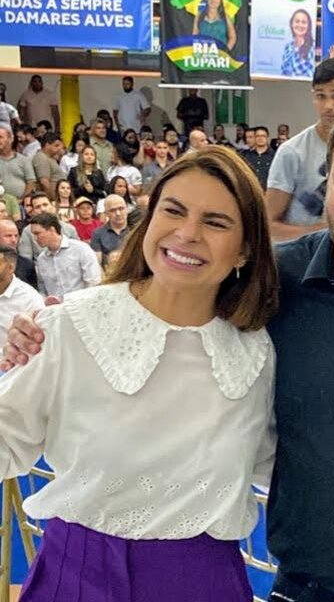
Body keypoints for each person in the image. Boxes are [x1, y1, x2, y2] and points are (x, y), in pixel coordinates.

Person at [0, 147, 278, 601]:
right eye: (173, 210)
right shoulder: (71, 325)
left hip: (204, 582)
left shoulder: (257, 354)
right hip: (77, 575)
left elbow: (282, 462)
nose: (187, 233)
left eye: (215, 222)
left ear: (246, 248)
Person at [266, 59, 334, 241]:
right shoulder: (292, 152)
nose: (328, 106)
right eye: (320, 96)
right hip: (303, 262)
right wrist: (325, 233)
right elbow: (268, 226)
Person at [280, 9, 315, 77]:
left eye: (304, 22)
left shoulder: (313, 47)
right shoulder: (288, 47)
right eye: (297, 21)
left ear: (308, 26)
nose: (300, 25)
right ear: (292, 24)